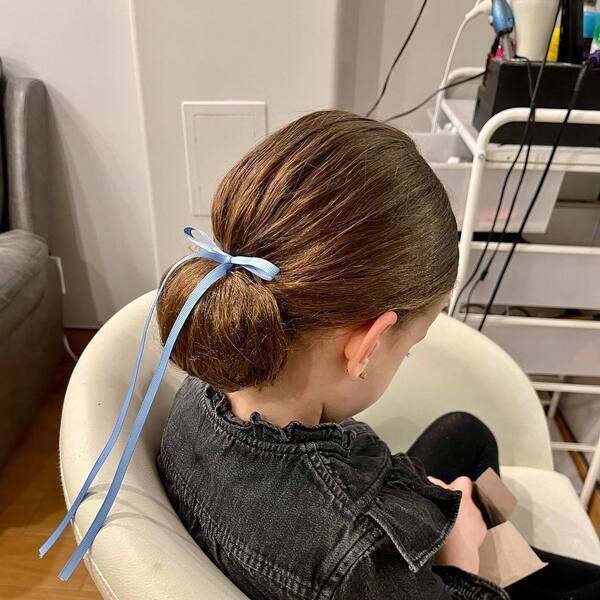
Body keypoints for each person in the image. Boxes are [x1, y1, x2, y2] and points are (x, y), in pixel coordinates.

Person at [155, 110, 600, 599]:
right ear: (367, 345)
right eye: (408, 349)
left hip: (321, 522)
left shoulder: (204, 387)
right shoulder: (357, 556)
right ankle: (506, 572)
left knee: (464, 433)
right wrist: (464, 566)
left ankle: (514, 559)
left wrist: (412, 497)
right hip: (394, 569)